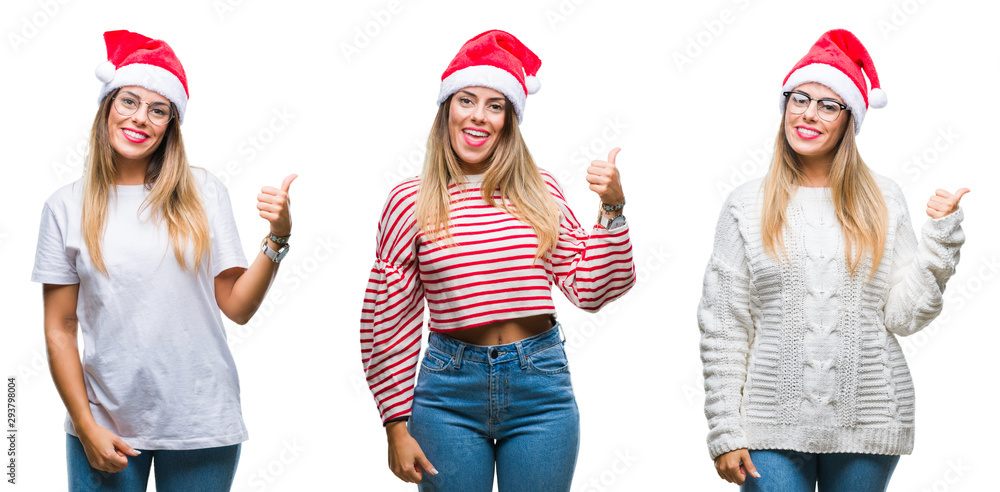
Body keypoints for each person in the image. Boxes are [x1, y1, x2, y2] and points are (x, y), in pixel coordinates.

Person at [360, 30, 635, 491]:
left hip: (540, 389)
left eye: (495, 106)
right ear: (447, 107)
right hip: (448, 393)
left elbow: (591, 289)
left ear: (510, 119)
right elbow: (389, 318)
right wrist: (394, 423)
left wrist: (612, 209)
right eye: (466, 100)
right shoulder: (410, 200)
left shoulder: (540, 190)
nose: (478, 117)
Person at [698, 29, 967, 492]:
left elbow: (903, 317)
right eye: (799, 98)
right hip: (770, 424)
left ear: (849, 120)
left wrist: (941, 242)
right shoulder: (746, 204)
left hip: (867, 420)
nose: (809, 114)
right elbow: (723, 324)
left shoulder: (884, 199)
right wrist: (725, 429)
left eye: (828, 105)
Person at [31, 30, 296, 491]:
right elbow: (60, 327)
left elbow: (236, 306)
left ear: (171, 124)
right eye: (129, 102)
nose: (140, 119)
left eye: (158, 110)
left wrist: (277, 238)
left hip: (200, 421)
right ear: (107, 107)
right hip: (104, 422)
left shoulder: (203, 192)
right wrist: (85, 424)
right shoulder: (64, 207)